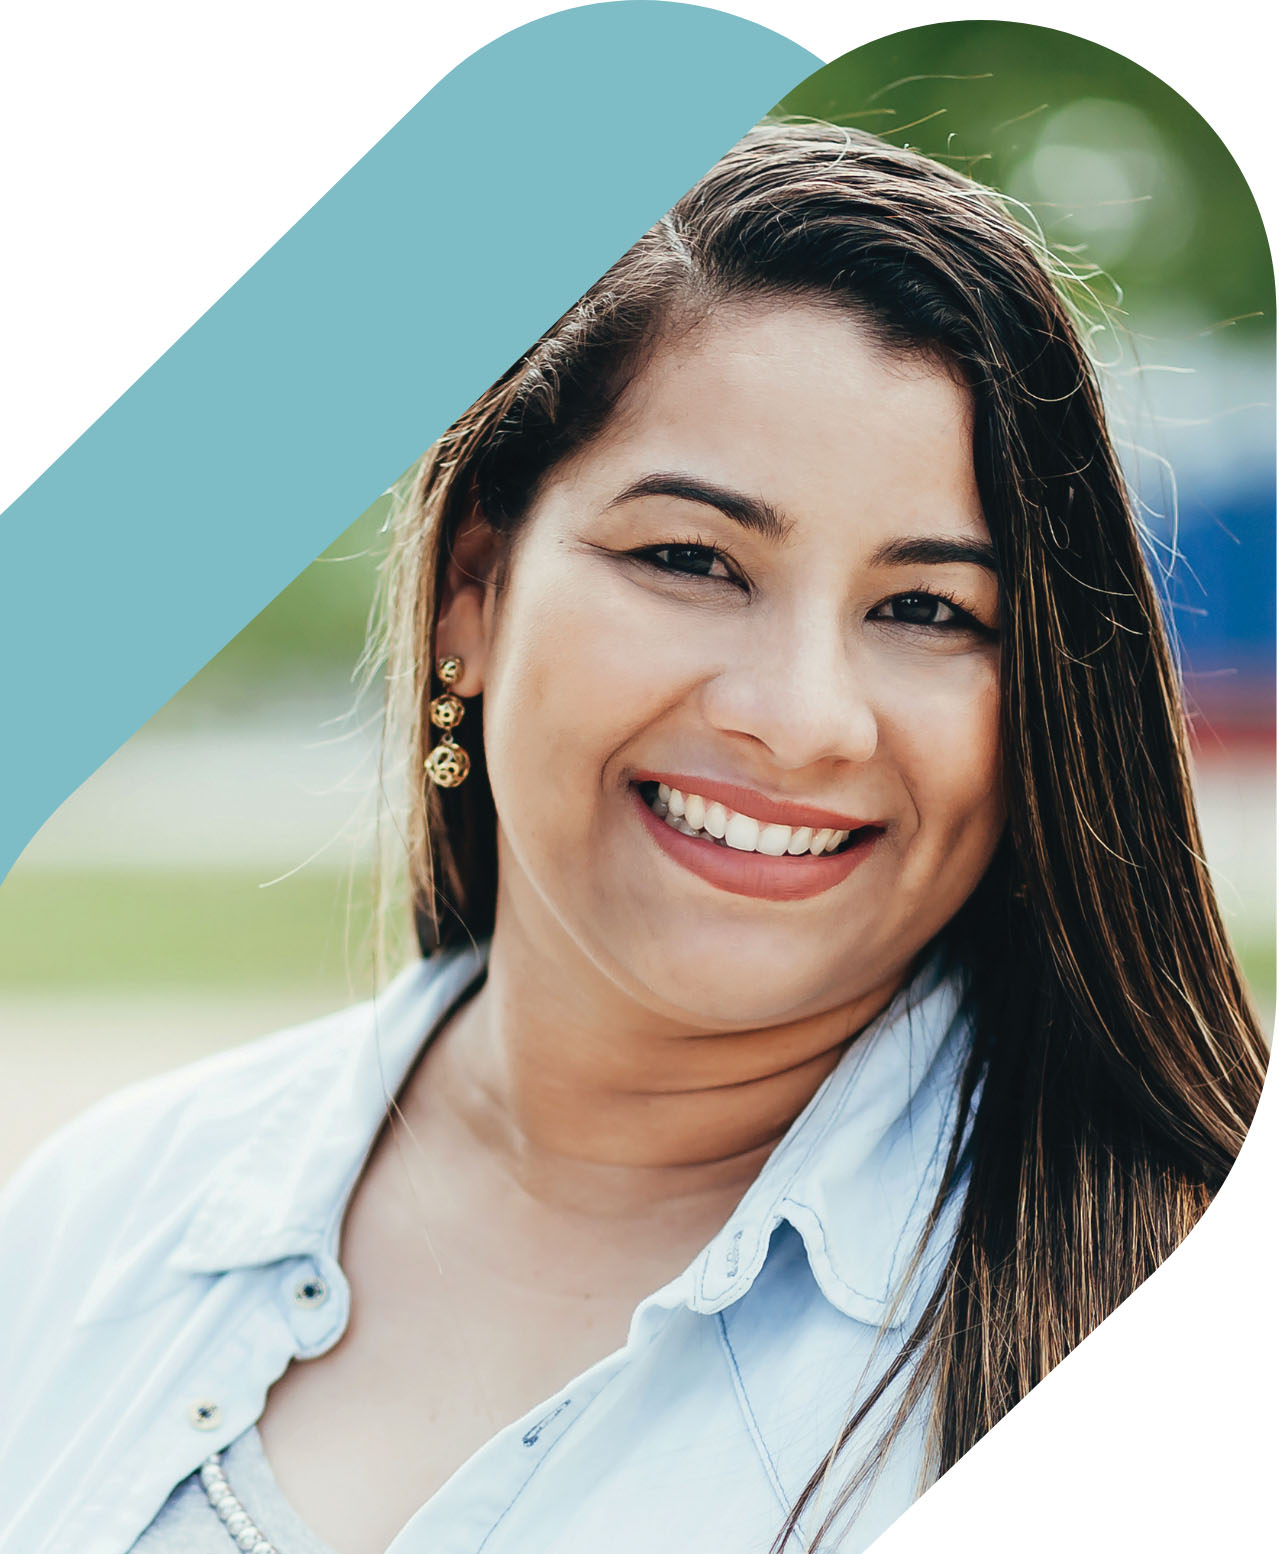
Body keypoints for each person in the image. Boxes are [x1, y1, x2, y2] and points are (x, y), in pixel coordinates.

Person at [0, 122, 1267, 1554]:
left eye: (925, 610)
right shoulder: (95, 1220)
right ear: (475, 585)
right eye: (690, 560)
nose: (801, 719)